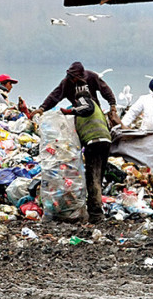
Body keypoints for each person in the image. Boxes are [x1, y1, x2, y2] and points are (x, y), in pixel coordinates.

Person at [56, 78, 112, 224]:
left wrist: (70, 111)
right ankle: (96, 209)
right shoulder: (97, 107)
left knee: (92, 178)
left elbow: (86, 108)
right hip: (104, 142)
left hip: (95, 142)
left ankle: (96, 214)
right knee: (97, 177)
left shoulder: (85, 101)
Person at [31, 61, 121, 127]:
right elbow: (54, 96)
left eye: (75, 77)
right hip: (79, 114)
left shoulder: (91, 77)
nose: (73, 80)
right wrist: (42, 108)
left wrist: (112, 104)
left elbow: (105, 89)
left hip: (95, 111)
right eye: (72, 77)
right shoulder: (66, 83)